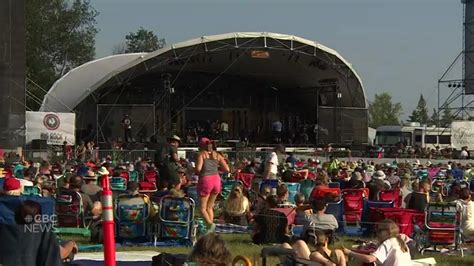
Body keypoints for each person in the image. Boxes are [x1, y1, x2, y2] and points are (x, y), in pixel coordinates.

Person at [195, 137, 230, 233]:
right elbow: (227, 169)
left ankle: (210, 225)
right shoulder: (217, 155)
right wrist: (216, 169)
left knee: (202, 208)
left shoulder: (201, 155)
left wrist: (194, 170)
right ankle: (210, 230)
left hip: (206, 180)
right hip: (216, 180)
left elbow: (198, 169)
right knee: (210, 207)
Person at [343, 219, 411, 266]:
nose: (377, 233)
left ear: (388, 231)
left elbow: (369, 259)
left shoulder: (388, 242)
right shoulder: (400, 242)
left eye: (379, 231)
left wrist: (349, 252)